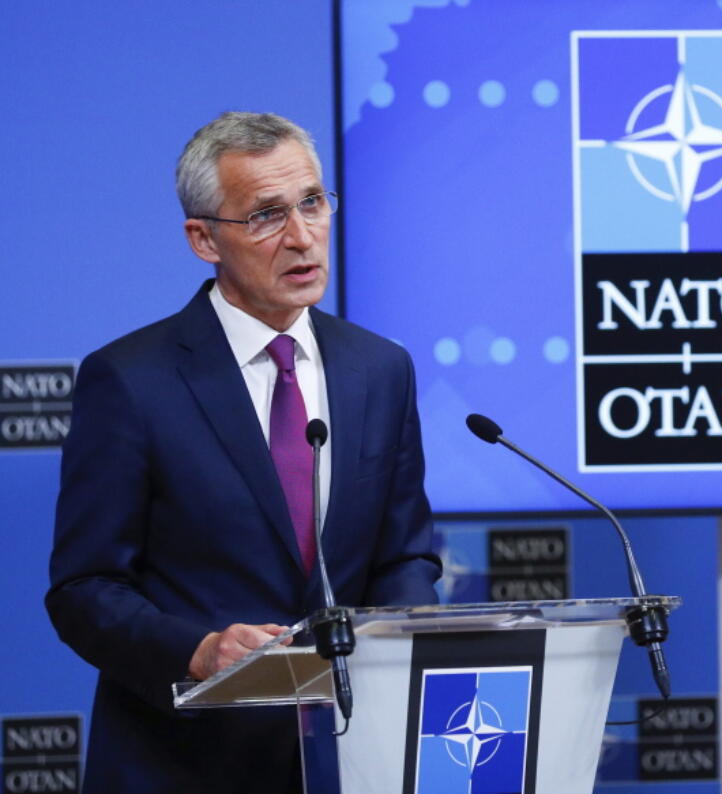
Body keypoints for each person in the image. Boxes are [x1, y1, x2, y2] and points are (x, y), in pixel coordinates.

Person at [46, 112, 441, 793]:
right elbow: (84, 590)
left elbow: (403, 554)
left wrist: (398, 656)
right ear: (204, 238)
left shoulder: (380, 369)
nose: (301, 236)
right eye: (265, 216)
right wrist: (198, 650)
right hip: (185, 764)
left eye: (312, 203)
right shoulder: (133, 380)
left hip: (350, 760)